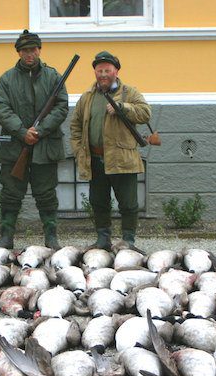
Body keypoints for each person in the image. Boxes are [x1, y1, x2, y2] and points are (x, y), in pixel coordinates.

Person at [0, 30, 69, 250]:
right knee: (10, 194)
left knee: (46, 194)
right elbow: (1, 108)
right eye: (25, 50)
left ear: (39, 50)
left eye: (33, 49)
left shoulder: (54, 77)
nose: (29, 54)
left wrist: (40, 131)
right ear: (18, 52)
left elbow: (61, 106)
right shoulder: (7, 79)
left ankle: (51, 236)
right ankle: (6, 236)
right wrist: (21, 131)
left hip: (45, 146)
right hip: (15, 146)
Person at [70, 51, 151, 251]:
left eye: (107, 70)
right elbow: (76, 125)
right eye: (99, 70)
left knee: (128, 203)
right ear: (95, 73)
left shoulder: (129, 93)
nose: (103, 74)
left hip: (122, 158)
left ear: (116, 71)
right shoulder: (87, 97)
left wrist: (123, 107)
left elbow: (145, 113)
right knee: (98, 202)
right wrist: (79, 149)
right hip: (95, 158)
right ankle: (103, 240)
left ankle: (128, 241)